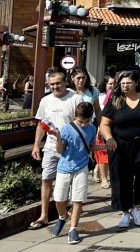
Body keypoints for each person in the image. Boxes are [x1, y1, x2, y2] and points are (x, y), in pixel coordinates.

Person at [100, 70, 140, 228]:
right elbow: (104, 123)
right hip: (119, 144)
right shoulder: (115, 99)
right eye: (121, 84)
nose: (124, 86)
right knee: (121, 178)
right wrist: (109, 138)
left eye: (127, 83)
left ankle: (134, 205)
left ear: (136, 83)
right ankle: (126, 211)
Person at [29, 71, 83, 230]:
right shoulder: (45, 101)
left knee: (72, 181)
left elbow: (82, 122)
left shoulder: (75, 99)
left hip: (71, 149)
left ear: (66, 82)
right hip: (51, 147)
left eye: (58, 83)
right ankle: (44, 216)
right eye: (52, 84)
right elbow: (41, 124)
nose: (55, 87)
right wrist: (36, 145)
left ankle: (72, 212)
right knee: (46, 179)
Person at [50, 102, 102, 244]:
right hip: (65, 166)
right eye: (80, 121)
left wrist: (104, 146)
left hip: (82, 166)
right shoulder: (66, 129)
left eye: (86, 121)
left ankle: (73, 228)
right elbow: (60, 150)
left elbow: (90, 146)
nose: (84, 124)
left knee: (77, 199)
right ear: (75, 117)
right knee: (59, 198)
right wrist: (58, 138)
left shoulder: (91, 128)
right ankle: (62, 216)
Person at [94, 76, 115, 188]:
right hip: (103, 127)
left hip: (116, 128)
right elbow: (99, 115)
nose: (111, 86)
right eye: (109, 83)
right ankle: (104, 179)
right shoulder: (101, 97)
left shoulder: (119, 97)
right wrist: (99, 129)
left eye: (114, 83)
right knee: (102, 154)